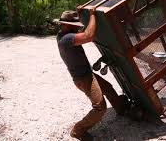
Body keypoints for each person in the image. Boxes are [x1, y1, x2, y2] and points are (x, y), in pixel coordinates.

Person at [54, 8, 126, 140]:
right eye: (74, 26)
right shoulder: (66, 39)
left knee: (108, 88)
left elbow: (82, 34)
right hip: (84, 78)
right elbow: (89, 35)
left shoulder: (62, 35)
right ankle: (78, 130)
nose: (77, 29)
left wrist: (80, 13)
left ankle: (121, 108)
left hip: (86, 74)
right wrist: (92, 15)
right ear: (68, 26)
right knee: (100, 108)